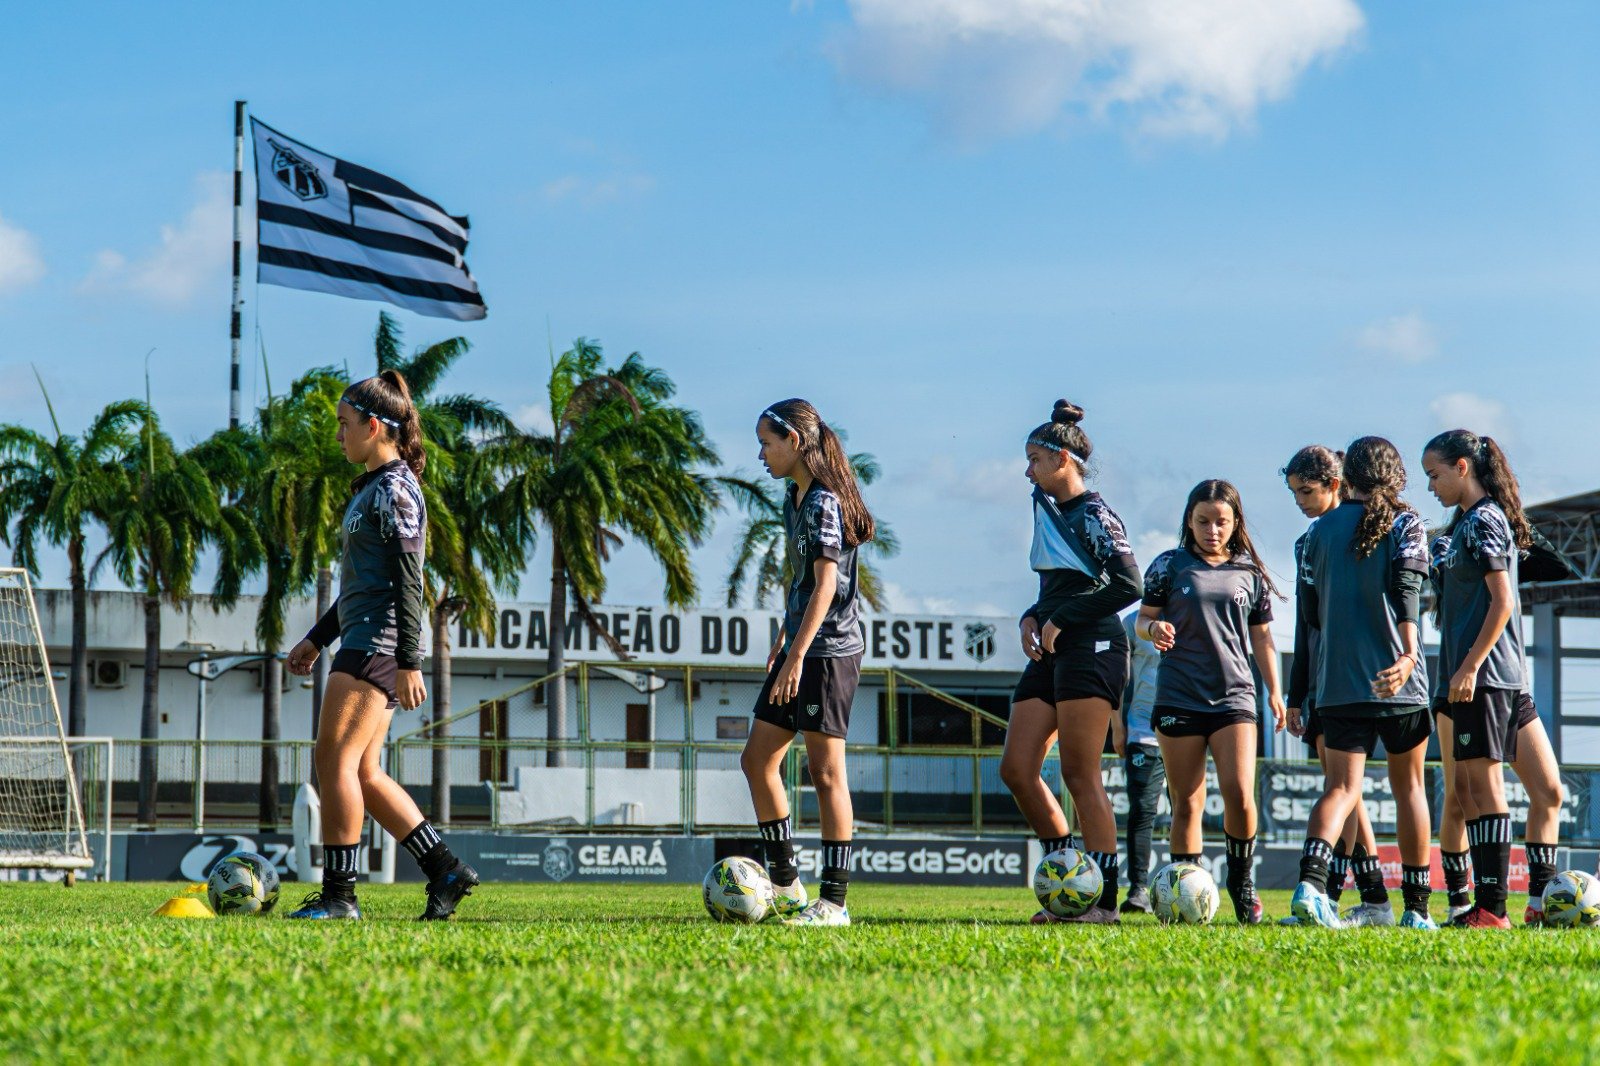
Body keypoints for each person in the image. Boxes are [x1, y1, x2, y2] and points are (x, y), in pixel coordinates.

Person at [285, 371, 478, 921]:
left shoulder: (395, 489)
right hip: (368, 638)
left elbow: (409, 579)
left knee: (334, 761)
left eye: (345, 425)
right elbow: (360, 584)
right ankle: (445, 867)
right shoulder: (373, 486)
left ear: (375, 427)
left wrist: (410, 662)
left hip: (378, 645)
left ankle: (339, 899)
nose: (339, 436)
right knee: (365, 773)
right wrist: (317, 638)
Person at [1000, 400, 1141, 924]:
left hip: (1096, 647)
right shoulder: (1046, 506)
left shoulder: (1098, 515)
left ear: (1063, 459)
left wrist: (1065, 618)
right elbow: (1055, 584)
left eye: (1035, 458)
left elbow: (1130, 584)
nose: (1027, 470)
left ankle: (1101, 904)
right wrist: (1031, 617)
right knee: (1017, 768)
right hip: (1054, 646)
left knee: (1082, 774)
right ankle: (1069, 880)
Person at [1289, 437, 1436, 930]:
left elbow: (1309, 616)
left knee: (1341, 788)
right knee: (1409, 789)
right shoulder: (1406, 521)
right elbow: (1408, 590)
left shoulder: (1314, 534)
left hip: (1339, 683)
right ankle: (1416, 911)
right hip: (1400, 682)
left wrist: (1299, 692)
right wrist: (1410, 652)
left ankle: (1310, 888)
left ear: (1345, 476)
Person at [739, 398, 875, 927]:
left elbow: (826, 586)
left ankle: (834, 904)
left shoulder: (823, 501)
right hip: (799, 647)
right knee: (757, 760)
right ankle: (787, 885)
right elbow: (799, 583)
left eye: (767, 443)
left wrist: (797, 653)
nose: (761, 454)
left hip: (828, 651)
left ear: (795, 442)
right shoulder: (794, 498)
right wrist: (783, 636)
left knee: (824, 772)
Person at [1421, 429, 1553, 928]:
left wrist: (1470, 665)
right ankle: (1516, 906)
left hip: (1488, 676)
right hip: (1496, 677)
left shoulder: (1484, 520)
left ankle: (1495, 909)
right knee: (1495, 791)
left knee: (1487, 788)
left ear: (1462, 467)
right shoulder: (1461, 530)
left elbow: (1503, 602)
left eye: (1434, 474)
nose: (1431, 485)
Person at [1137, 479, 1285, 925]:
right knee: (1187, 802)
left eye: (1221, 521)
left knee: (1240, 795)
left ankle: (1242, 886)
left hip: (1235, 697)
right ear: (1189, 520)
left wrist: (1275, 690)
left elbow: (1262, 639)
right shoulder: (1168, 566)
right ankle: (1186, 890)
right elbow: (1143, 619)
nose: (1212, 530)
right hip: (1178, 695)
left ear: (1235, 522)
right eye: (1203, 521)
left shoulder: (1250, 573)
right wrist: (1152, 630)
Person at [1281, 445, 1393, 926]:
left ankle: (1338, 892)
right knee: (1346, 792)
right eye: (1294, 493)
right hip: (1324, 682)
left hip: (1354, 680)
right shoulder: (1309, 540)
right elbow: (1306, 626)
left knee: (1343, 789)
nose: (1301, 501)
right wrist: (1296, 693)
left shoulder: (1368, 531)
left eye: (1307, 491)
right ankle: (1372, 897)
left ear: (1336, 485)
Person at [1111, 611, 1164, 915]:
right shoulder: (1132, 622)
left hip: (1187, 729)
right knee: (1142, 810)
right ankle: (1138, 889)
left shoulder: (1195, 609)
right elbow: (1118, 674)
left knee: (1188, 806)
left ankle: (1189, 880)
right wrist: (1117, 726)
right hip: (1143, 730)